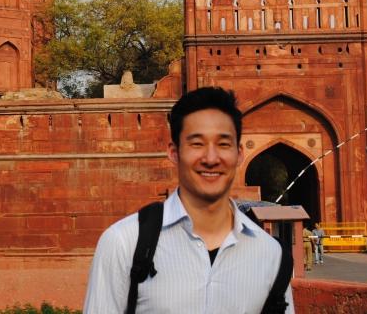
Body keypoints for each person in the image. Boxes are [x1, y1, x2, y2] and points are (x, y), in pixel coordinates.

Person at [83, 86, 294, 313]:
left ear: (239, 154)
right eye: (197, 144)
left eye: (223, 144)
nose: (211, 158)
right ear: (174, 152)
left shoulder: (271, 254)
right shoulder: (125, 243)